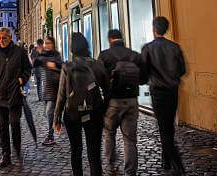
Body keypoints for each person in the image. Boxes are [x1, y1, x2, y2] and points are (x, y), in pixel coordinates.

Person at [54, 32, 109, 176]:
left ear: (72, 49)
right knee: (94, 153)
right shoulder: (97, 64)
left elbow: (61, 96)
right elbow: (107, 90)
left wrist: (57, 119)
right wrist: (103, 110)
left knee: (76, 151)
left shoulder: (67, 66)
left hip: (72, 113)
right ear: (86, 47)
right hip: (94, 113)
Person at [141, 16, 186, 176]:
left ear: (154, 29)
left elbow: (144, 74)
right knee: (169, 125)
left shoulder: (147, 48)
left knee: (163, 127)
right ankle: (165, 159)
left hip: (158, 92)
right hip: (172, 91)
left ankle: (177, 164)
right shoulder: (175, 47)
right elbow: (182, 70)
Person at [98, 29, 146, 176]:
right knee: (130, 139)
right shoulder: (134, 55)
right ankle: (130, 172)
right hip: (131, 101)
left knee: (109, 133)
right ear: (121, 38)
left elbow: (99, 78)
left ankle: (111, 166)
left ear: (110, 39)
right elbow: (144, 79)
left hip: (112, 101)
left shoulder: (104, 55)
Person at [0, 27, 31, 168]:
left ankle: (17, 148)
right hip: (0, 94)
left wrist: (21, 80)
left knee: (15, 123)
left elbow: (27, 69)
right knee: (3, 126)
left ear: (10, 38)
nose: (1, 41)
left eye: (4, 38)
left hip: (15, 94)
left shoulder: (20, 52)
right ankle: (6, 154)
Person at [33, 36, 62, 145]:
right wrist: (39, 53)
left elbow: (62, 67)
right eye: (46, 43)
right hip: (47, 88)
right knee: (48, 112)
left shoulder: (56, 55)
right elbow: (34, 63)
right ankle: (56, 124)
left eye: (49, 43)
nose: (47, 45)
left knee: (49, 112)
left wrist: (55, 67)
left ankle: (50, 136)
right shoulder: (43, 55)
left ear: (53, 44)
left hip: (56, 87)